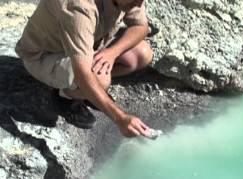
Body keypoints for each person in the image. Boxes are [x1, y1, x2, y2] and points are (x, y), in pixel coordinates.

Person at [15, 0, 153, 137]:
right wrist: (120, 118)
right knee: (101, 79)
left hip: (88, 45)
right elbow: (83, 74)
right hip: (44, 56)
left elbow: (141, 27)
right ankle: (65, 97)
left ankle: (88, 92)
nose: (139, 4)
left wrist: (112, 52)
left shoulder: (129, 1)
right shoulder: (79, 7)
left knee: (142, 54)